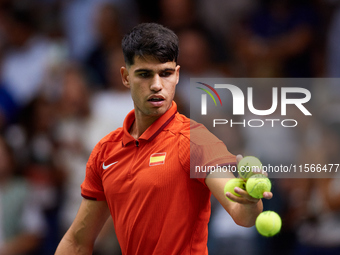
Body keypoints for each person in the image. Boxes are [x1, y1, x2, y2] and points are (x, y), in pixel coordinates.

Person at [55, 22, 272, 255]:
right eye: (144, 74)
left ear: (177, 75)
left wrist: (250, 201)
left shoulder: (194, 140)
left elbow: (240, 212)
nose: (157, 85)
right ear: (125, 77)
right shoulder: (105, 152)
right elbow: (77, 242)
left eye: (165, 73)